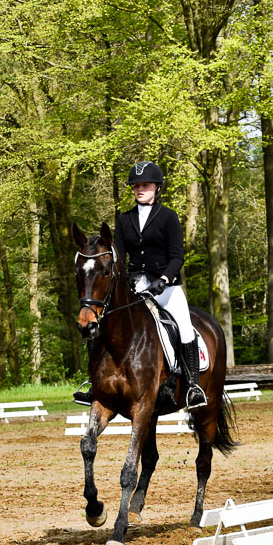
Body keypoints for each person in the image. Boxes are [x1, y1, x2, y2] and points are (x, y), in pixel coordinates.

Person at [73, 160, 207, 410]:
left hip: (166, 288)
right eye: (135, 186)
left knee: (185, 327)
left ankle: (192, 387)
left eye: (144, 185)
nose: (139, 189)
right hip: (135, 286)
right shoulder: (125, 219)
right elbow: (119, 256)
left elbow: (177, 255)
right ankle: (95, 384)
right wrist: (126, 278)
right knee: (100, 321)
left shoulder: (168, 216)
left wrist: (164, 279)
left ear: (157, 188)